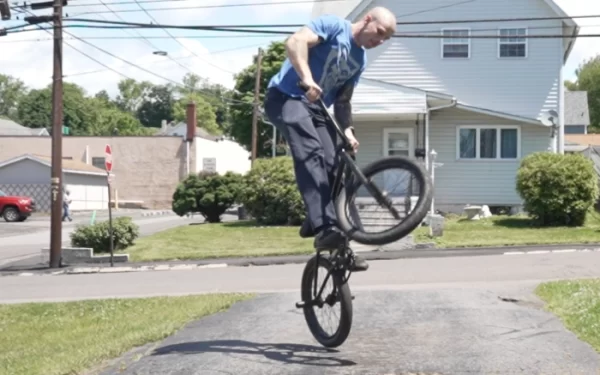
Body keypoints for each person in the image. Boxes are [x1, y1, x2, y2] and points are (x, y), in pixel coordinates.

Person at [263, 7, 397, 272]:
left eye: (385, 39)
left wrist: (347, 130)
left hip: (317, 109)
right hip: (287, 97)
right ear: (367, 19)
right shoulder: (334, 26)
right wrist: (307, 78)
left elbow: (343, 100)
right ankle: (323, 226)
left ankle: (341, 243)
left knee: (337, 166)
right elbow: (296, 41)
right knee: (311, 151)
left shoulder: (359, 60)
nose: (379, 41)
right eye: (379, 33)